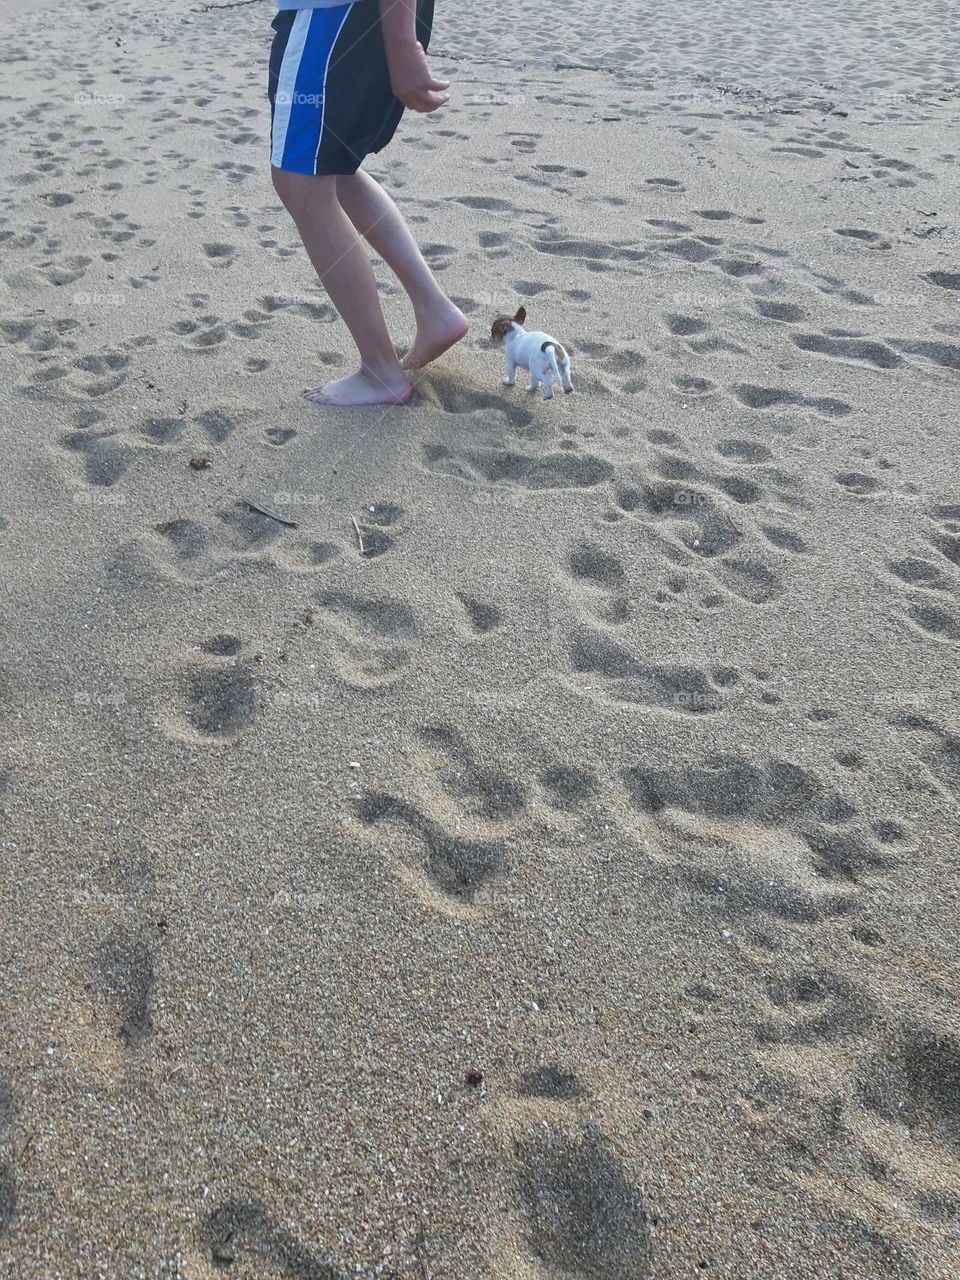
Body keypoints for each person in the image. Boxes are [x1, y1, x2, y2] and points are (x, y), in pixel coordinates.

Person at [268, 0, 468, 406]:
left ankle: (380, 371)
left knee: (300, 181)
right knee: (330, 168)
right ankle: (434, 310)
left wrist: (402, 45)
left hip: (335, 14)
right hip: (352, 14)